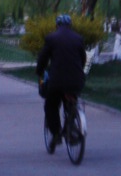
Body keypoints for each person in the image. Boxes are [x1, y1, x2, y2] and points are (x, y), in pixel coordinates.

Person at [36, 14, 87, 150]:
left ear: (57, 25)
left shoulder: (51, 38)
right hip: (76, 80)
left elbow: (43, 58)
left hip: (57, 81)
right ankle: (72, 124)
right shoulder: (78, 38)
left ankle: (56, 134)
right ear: (70, 25)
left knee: (51, 105)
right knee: (71, 101)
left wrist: (39, 71)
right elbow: (83, 59)